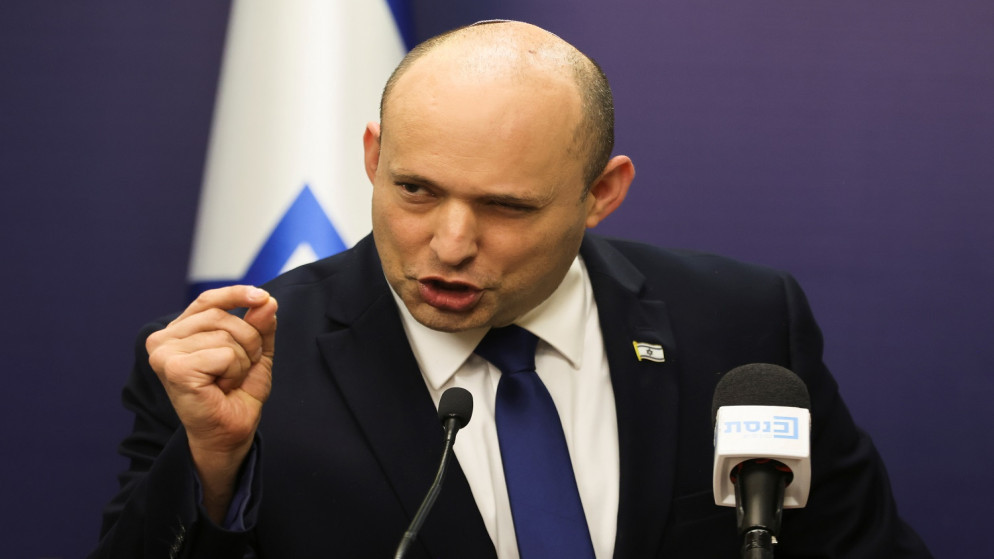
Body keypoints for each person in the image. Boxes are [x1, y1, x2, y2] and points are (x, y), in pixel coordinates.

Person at [91, 21, 932, 558]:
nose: (450, 244)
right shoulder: (241, 368)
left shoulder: (741, 323)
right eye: (416, 189)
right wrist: (212, 469)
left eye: (506, 206)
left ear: (602, 192)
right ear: (374, 157)